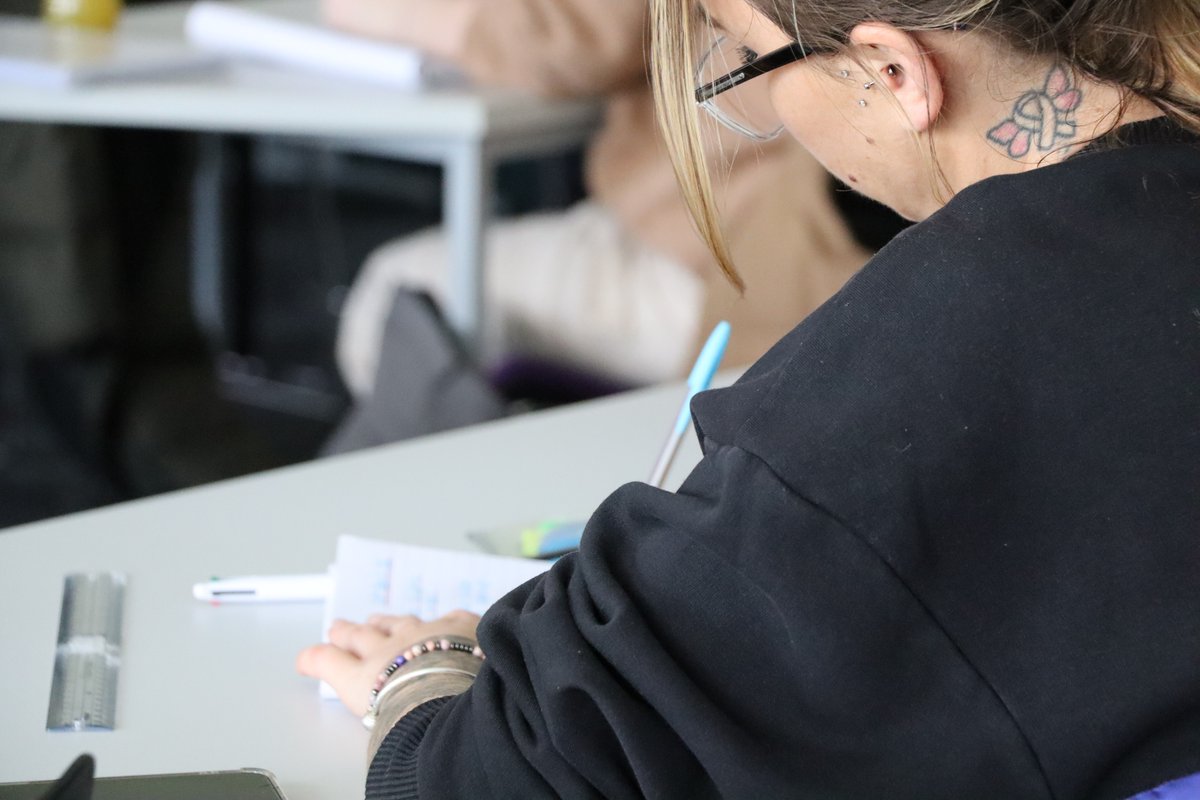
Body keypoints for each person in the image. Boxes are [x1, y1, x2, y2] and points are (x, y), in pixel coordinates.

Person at [298, 0, 1200, 796]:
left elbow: (477, 780)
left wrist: (422, 672)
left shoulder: (916, 382)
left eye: (748, 61)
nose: (762, 106)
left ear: (894, 71)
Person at [319, 0, 873, 451]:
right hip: (806, 237)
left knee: (393, 291)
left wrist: (408, 15)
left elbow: (572, 38)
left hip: (736, 251)